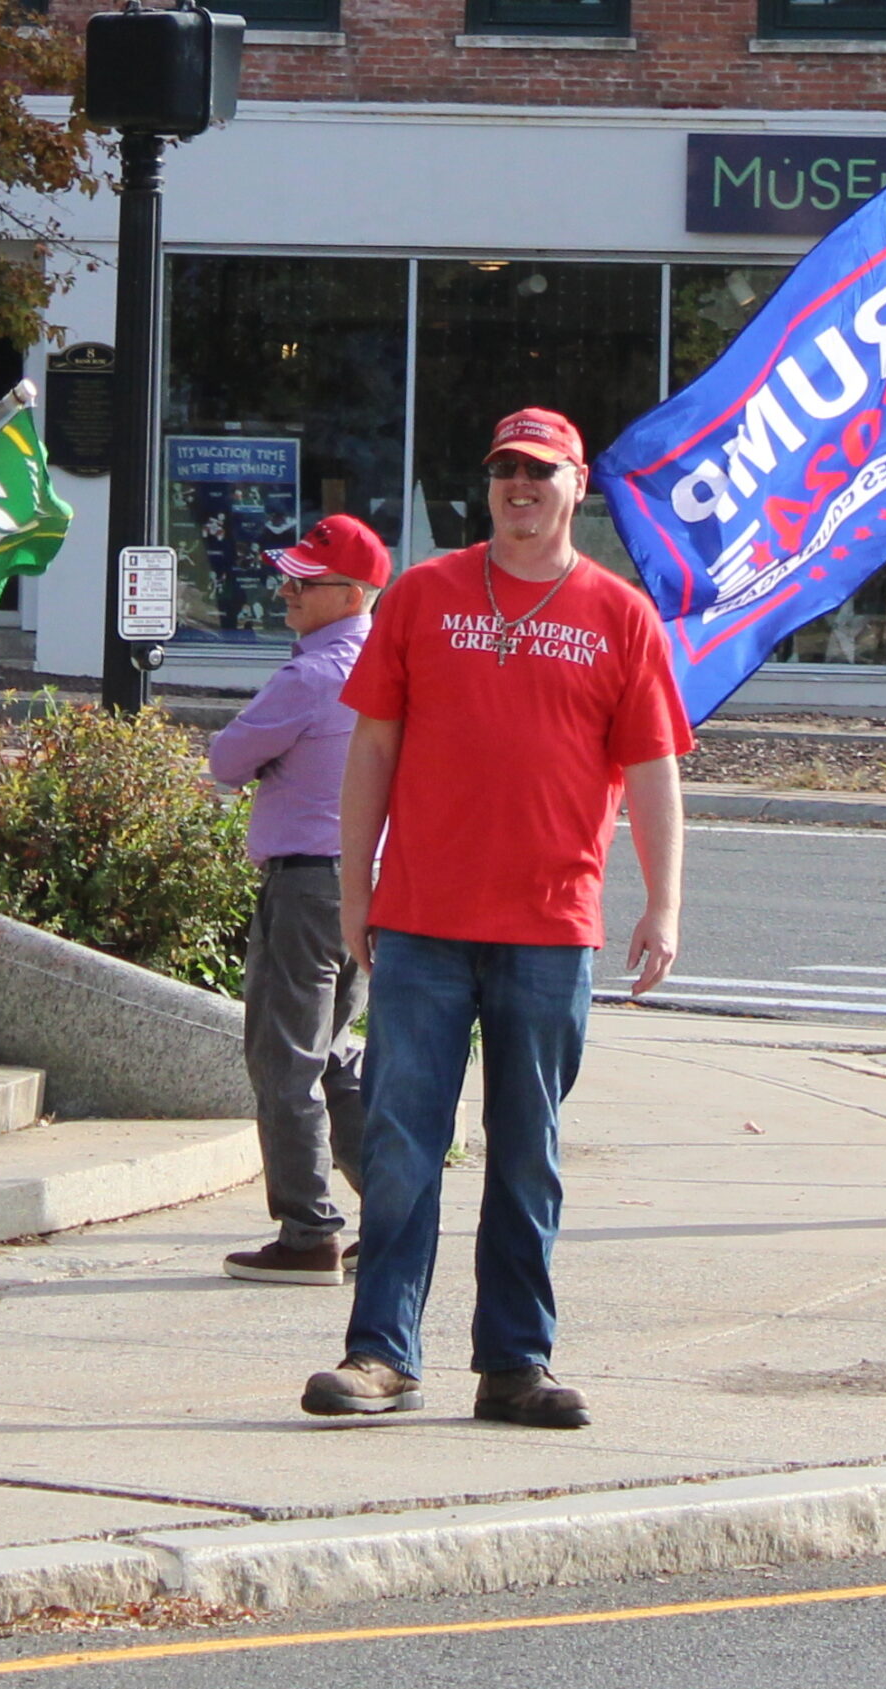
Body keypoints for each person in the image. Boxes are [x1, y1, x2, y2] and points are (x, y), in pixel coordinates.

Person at [302, 407, 689, 1429]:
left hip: (551, 925)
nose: (519, 484)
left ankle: (514, 1361)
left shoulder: (618, 615)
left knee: (527, 1151)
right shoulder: (425, 595)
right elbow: (371, 753)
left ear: (575, 486)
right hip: (424, 918)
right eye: (505, 468)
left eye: (539, 470)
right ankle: (380, 1352)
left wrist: (663, 901)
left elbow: (652, 772)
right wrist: (355, 892)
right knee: (400, 1143)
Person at [206, 515, 387, 1284]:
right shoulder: (387, 667)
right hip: (367, 881)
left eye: (303, 582)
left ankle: (309, 1229)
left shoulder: (313, 675)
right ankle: (390, 1202)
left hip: (307, 880)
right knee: (336, 1050)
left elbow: (227, 755)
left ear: (348, 595)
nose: (286, 591)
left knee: (284, 1055)